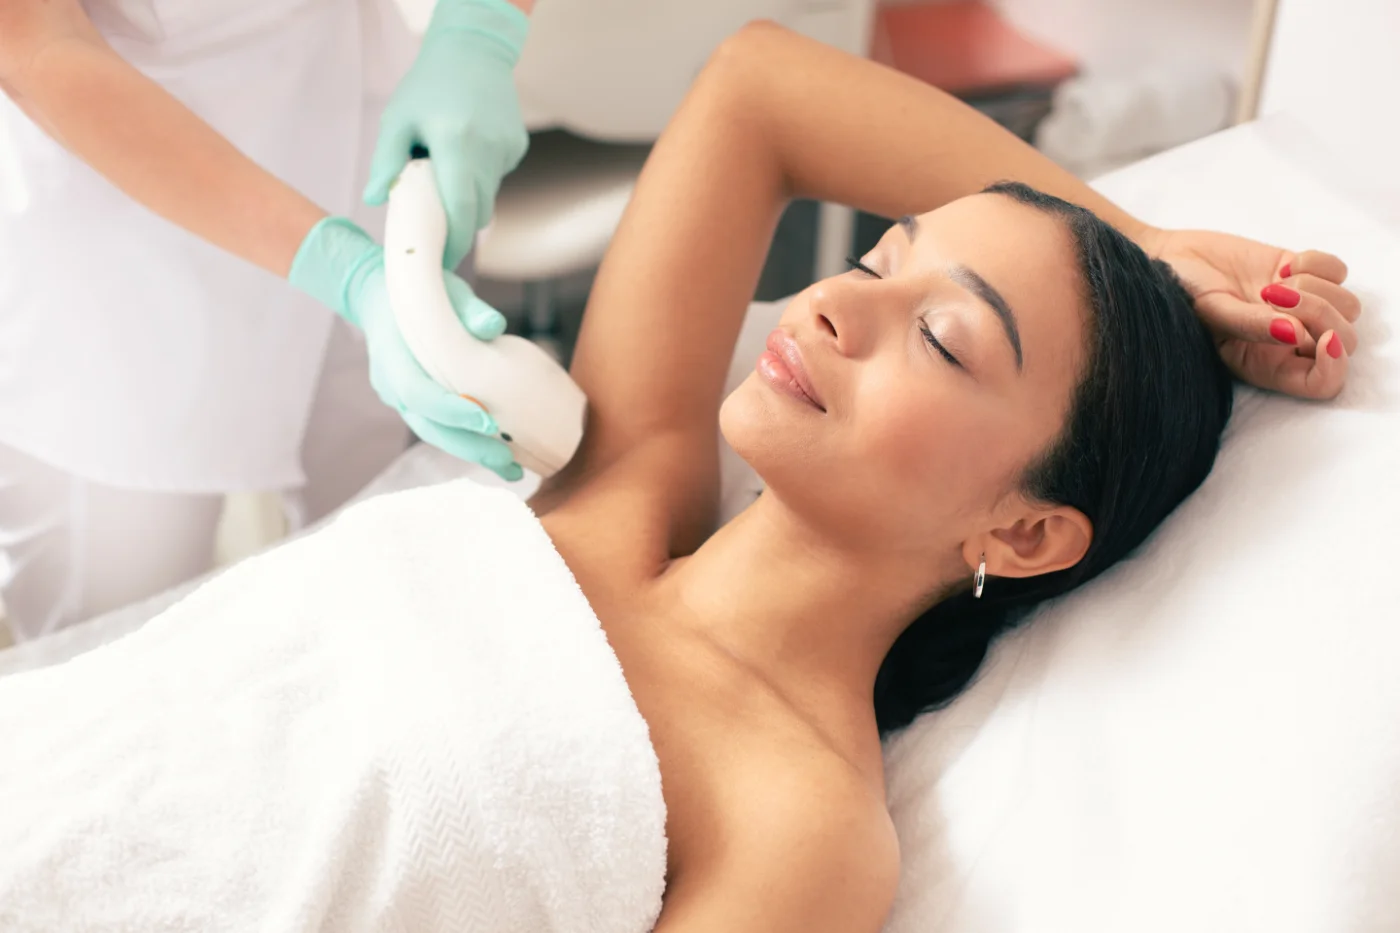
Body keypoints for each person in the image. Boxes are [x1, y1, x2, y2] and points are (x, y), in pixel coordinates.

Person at [0, 21, 1362, 932]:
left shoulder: (801, 825)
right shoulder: (621, 482)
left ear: (1028, 526)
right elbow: (763, 87)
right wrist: (1147, 240)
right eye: (881, 260)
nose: (830, 307)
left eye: (943, 339)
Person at [0, 0, 532, 641]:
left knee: (378, 563)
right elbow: (38, 48)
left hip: (348, 113)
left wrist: (479, 28)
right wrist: (344, 272)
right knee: (115, 630)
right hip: (111, 219)